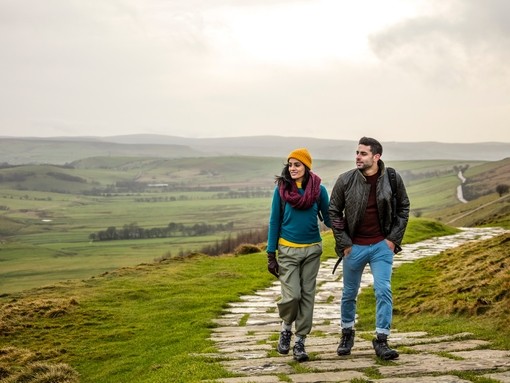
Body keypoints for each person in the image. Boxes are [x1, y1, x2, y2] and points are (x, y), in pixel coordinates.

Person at [328, 137, 410, 360]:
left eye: (363, 153)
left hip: (381, 246)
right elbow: (333, 212)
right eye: (357, 152)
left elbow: (403, 208)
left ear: (376, 157)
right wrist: (344, 243)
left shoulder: (392, 178)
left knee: (383, 290)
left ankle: (382, 340)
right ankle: (347, 334)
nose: (358, 157)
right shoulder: (345, 180)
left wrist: (393, 239)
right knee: (348, 293)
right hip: (353, 247)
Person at [266, 148, 331, 362]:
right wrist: (271, 254)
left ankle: (300, 341)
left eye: (297, 165)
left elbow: (329, 219)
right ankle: (286, 328)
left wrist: (347, 232)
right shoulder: (281, 190)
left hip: (312, 249)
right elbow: (275, 221)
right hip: (287, 251)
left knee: (307, 296)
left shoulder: (319, 190)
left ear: (306, 167)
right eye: (290, 165)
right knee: (292, 295)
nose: (292, 168)